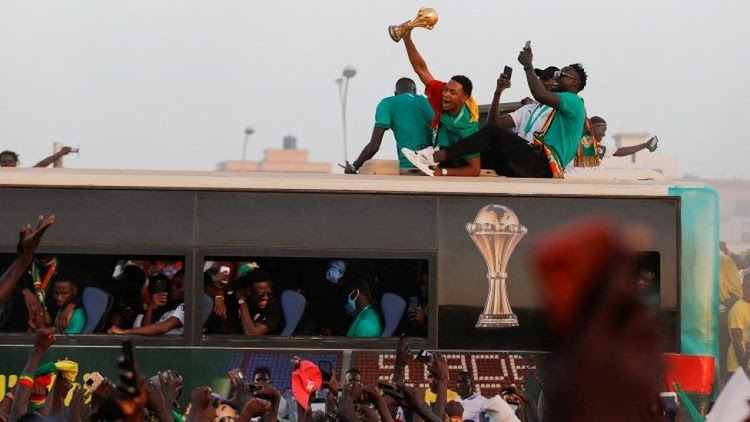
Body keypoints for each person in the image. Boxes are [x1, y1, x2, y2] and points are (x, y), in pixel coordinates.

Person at [405, 42, 587, 179]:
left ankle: (434, 156)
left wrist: (528, 65)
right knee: (481, 155)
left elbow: (539, 94)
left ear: (574, 82)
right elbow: (495, 125)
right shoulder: (534, 109)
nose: (556, 79)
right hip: (530, 162)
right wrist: (498, 92)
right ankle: (437, 167)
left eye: (561, 75)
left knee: (491, 135)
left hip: (544, 164)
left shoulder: (574, 101)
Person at [401, 27, 481, 177]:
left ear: (464, 98)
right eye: (446, 89)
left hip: (455, 165)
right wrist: (407, 38)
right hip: (438, 151)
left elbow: (475, 169)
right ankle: (430, 154)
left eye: (452, 92)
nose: (446, 95)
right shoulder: (442, 94)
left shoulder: (469, 125)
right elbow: (421, 69)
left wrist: (442, 172)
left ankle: (432, 156)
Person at [346, 78, 434, 174]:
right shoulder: (430, 103)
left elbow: (374, 146)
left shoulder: (388, 103)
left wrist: (354, 167)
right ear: (415, 91)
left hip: (410, 167)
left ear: (395, 93)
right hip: (436, 167)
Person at [109, 270, 185, 335]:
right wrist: (150, 308)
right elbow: (145, 334)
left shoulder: (186, 307)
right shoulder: (169, 313)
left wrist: (125, 332)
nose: (172, 288)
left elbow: (165, 326)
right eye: (171, 284)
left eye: (179, 286)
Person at [237, 269, 283, 335]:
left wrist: (242, 302)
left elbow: (252, 334)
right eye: (261, 295)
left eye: (269, 294)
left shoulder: (275, 307)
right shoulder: (234, 301)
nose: (266, 297)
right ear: (249, 291)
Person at [727, 274, 750, 375]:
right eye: (748, 287)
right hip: (738, 367)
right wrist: (745, 369)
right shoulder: (738, 309)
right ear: (742, 287)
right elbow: (737, 343)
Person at [0, 147, 74, 168]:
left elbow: (41, 165)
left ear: (15, 162)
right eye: (4, 162)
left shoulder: (21, 175)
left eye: (10, 161)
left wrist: (61, 153)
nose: (7, 164)